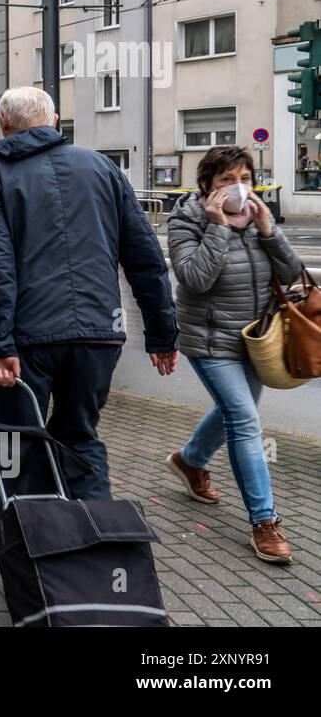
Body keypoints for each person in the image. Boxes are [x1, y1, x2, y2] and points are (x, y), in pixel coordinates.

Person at [0, 87, 179, 500]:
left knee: (19, 447)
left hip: (26, 343)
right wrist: (162, 334)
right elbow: (146, 258)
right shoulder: (103, 168)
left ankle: (36, 551)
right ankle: (94, 551)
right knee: (80, 439)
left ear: (3, 125)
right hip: (98, 337)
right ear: (56, 121)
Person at [165, 146, 299, 563]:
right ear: (207, 186)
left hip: (256, 340)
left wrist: (268, 231)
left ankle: (190, 461)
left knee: (232, 414)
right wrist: (217, 227)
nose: (239, 188)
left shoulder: (259, 217)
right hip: (209, 342)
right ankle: (264, 522)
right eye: (227, 180)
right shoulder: (185, 220)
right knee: (244, 421)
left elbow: (293, 275)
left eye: (245, 178)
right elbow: (194, 279)